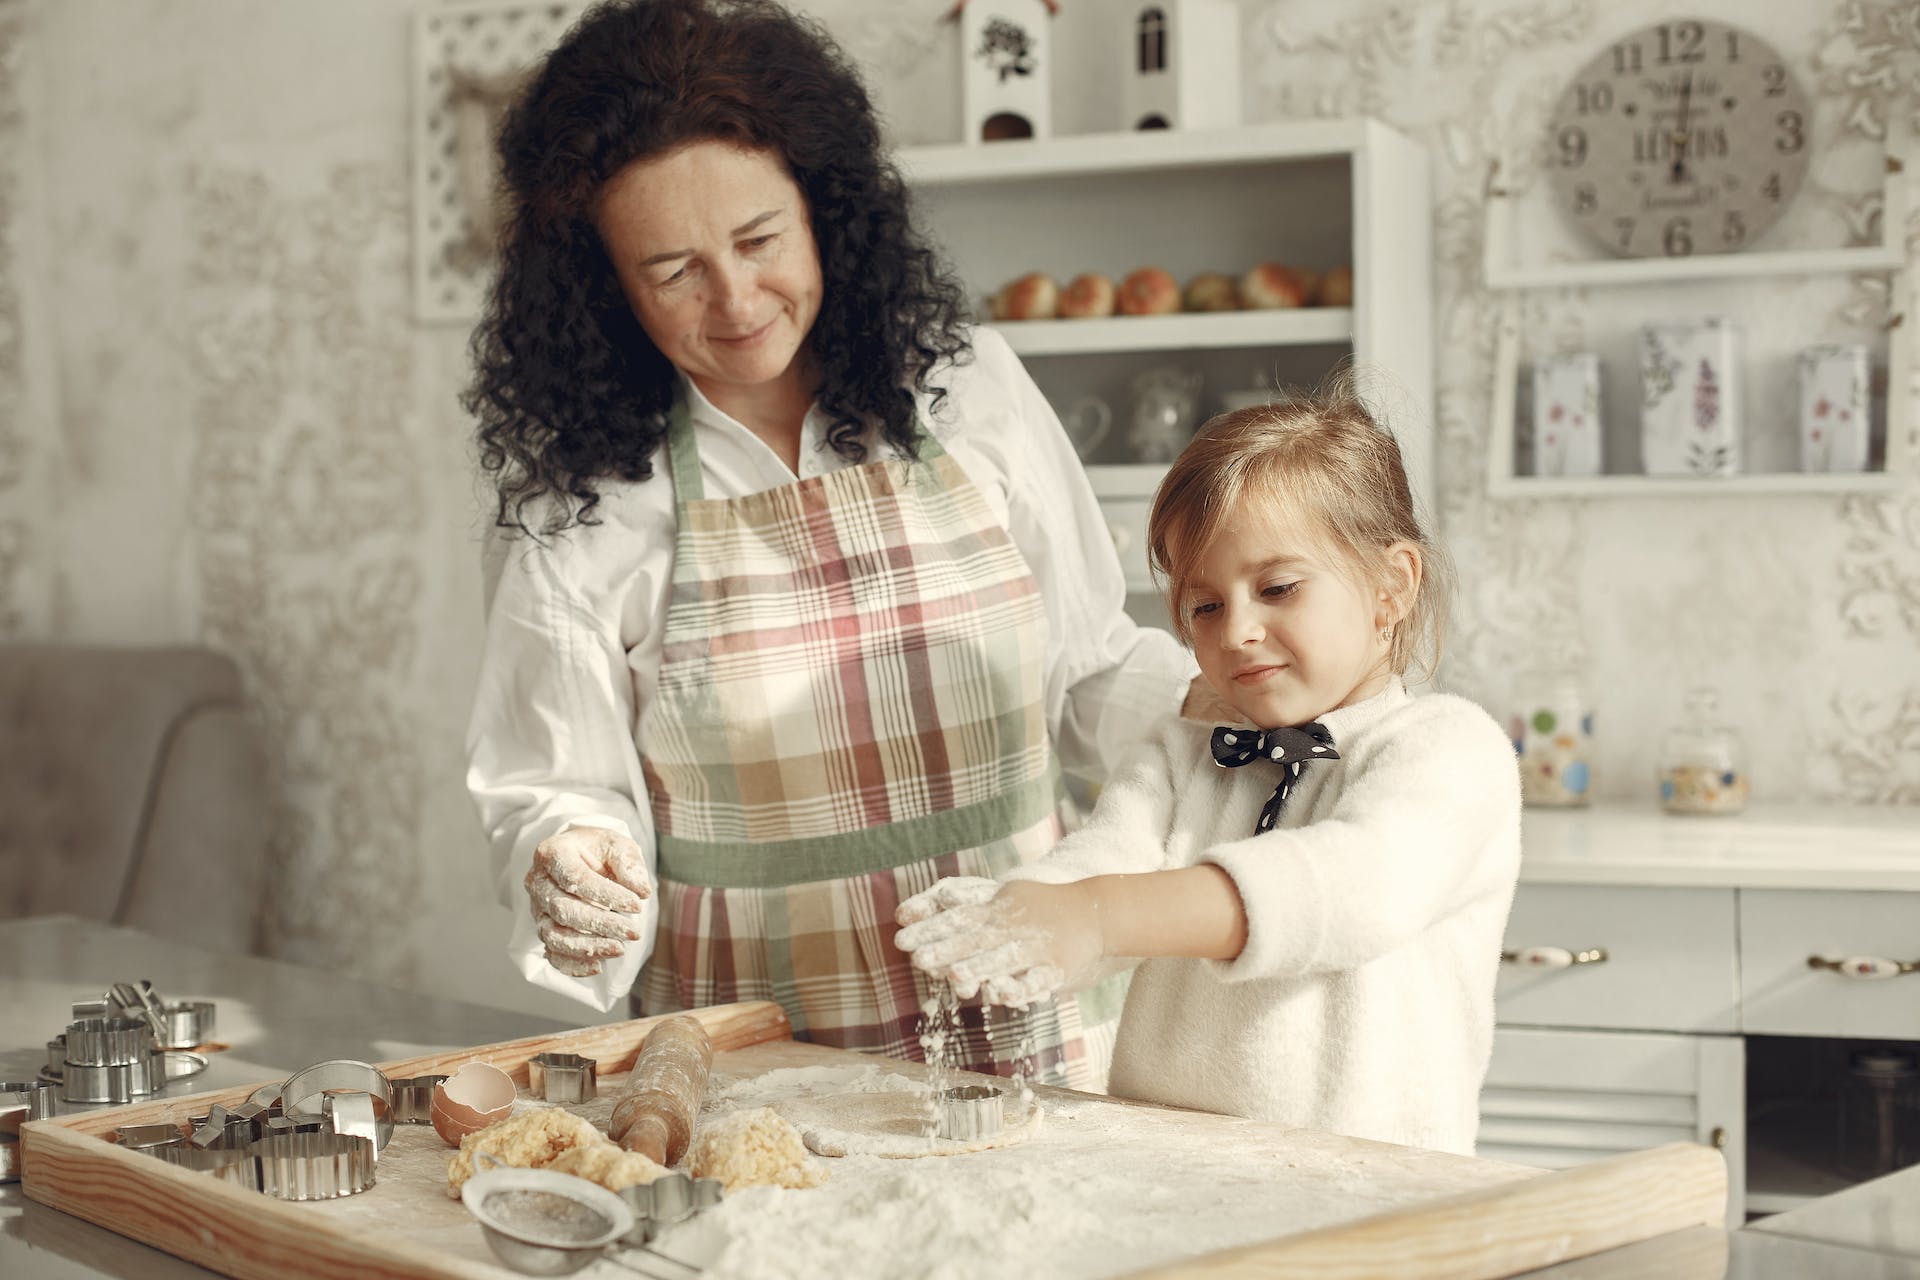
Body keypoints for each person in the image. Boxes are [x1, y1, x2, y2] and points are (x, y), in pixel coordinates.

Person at [462, 0, 1211, 1091]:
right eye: (672, 270)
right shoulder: (575, 509)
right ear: (603, 290)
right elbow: (559, 785)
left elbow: (1087, 668)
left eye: (760, 239)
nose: (736, 300)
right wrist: (570, 859)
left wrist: (1239, 706)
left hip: (1036, 1039)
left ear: (825, 208)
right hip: (745, 1072)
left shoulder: (968, 388)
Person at [894, 380, 1523, 1154]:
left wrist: (1094, 918)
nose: (1240, 630)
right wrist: (1016, 914)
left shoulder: (1448, 748)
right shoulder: (1180, 749)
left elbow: (1355, 886)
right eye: (1206, 606)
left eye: (1277, 588)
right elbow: (1102, 861)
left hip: (1374, 1195)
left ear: (1392, 586)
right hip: (1169, 1169)